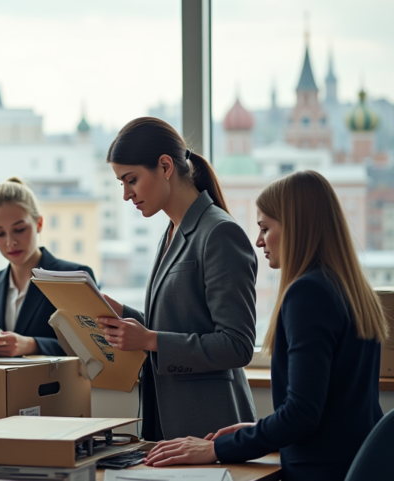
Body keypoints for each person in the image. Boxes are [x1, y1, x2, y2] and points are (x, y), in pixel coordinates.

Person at [143, 170, 387, 481]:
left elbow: (302, 414)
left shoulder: (307, 293)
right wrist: (258, 430)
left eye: (265, 228)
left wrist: (216, 449)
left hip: (317, 470)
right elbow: (333, 406)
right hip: (353, 462)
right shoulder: (350, 289)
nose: (258, 241)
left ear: (296, 228)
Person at [96, 117, 257, 441]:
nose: (126, 194)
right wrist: (123, 314)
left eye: (132, 180)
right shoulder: (171, 232)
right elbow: (178, 325)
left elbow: (237, 345)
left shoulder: (219, 232)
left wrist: (150, 340)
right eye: (121, 183)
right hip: (167, 420)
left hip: (210, 424)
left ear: (165, 166)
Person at [0, 178, 96, 357]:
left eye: (19, 229)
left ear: (39, 224)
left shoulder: (74, 278)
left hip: (56, 384)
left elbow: (93, 348)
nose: (10, 242)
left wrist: (32, 345)